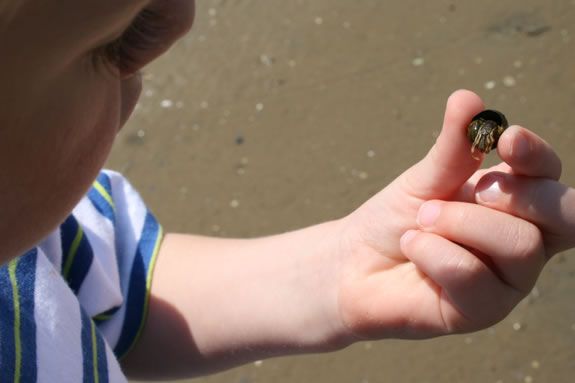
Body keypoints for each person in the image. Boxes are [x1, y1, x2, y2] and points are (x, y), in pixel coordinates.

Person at [1, 0, 574, 382]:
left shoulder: (25, 237)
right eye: (112, 48)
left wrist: (342, 267)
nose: (178, 21)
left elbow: (123, 292)